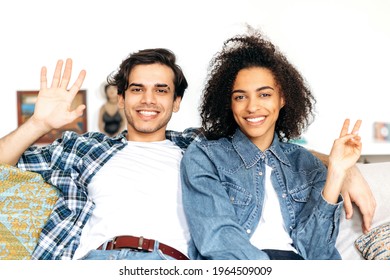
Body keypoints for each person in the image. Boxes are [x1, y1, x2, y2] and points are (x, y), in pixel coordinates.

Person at [0, 47, 375, 260]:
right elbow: (4, 167)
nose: (148, 100)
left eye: (161, 90)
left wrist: (344, 169)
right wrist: (37, 124)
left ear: (177, 102)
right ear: (120, 96)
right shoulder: (82, 147)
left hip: (172, 266)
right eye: (137, 89)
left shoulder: (203, 149)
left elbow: (267, 147)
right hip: (92, 262)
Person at [180, 30, 370, 260]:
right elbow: (217, 238)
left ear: (282, 99)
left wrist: (337, 171)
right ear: (228, 103)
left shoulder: (306, 163)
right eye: (240, 97)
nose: (252, 107)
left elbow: (317, 252)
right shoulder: (205, 156)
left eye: (264, 95)